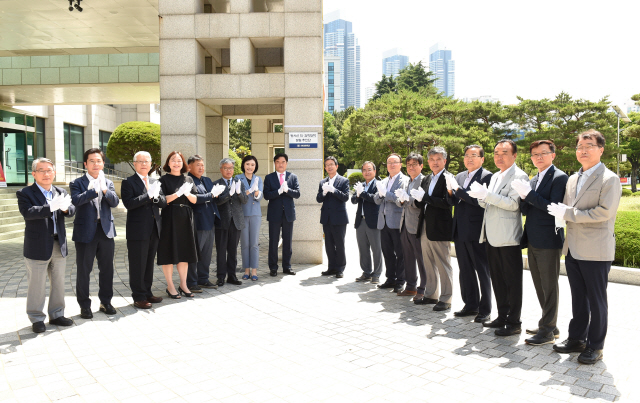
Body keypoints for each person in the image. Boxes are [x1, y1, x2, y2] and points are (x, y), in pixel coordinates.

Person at [548, 130, 621, 365]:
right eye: (580, 146)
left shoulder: (609, 178)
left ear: (601, 149)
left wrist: (568, 213)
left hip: (596, 250)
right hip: (573, 248)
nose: (583, 150)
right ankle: (577, 339)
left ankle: (595, 346)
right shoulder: (572, 179)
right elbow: (568, 210)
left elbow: (604, 212)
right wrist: (561, 215)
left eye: (589, 145)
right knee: (579, 299)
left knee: (597, 301)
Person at [467, 139, 529, 336]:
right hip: (492, 235)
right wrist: (482, 197)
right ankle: (502, 316)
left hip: (508, 236)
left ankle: (514, 322)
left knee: (512, 281)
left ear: (514, 155)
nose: (499, 157)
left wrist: (488, 196)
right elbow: (490, 203)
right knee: (498, 279)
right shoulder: (495, 176)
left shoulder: (519, 176)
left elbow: (514, 204)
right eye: (496, 153)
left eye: (504, 153)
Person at [512, 140, 568, 345]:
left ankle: (547, 331)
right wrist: (522, 198)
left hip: (549, 239)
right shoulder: (534, 179)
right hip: (534, 237)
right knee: (539, 285)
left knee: (549, 285)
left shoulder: (560, 177)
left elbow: (554, 206)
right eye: (534, 154)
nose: (538, 157)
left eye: (543, 153)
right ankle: (549, 324)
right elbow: (529, 209)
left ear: (553, 155)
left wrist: (529, 195)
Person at [17, 158, 75, 333]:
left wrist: (65, 208)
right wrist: (49, 207)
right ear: (34, 174)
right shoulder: (25, 193)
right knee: (37, 284)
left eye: (49, 170)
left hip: (59, 244)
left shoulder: (60, 191)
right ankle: (36, 318)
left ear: (54, 173)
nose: (46, 174)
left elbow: (71, 211)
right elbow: (27, 213)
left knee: (58, 282)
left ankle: (57, 314)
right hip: (37, 245)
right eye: (41, 170)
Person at [444, 145, 493, 324]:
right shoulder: (460, 176)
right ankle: (470, 304)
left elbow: (479, 201)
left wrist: (458, 191)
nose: (469, 159)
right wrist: (450, 191)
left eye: (474, 155)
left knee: (482, 270)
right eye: (466, 156)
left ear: (482, 159)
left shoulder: (487, 176)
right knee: (465, 270)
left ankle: (485, 309)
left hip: (476, 230)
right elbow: (453, 201)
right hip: (460, 229)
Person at [70, 148, 120, 319]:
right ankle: (84, 305)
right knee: (84, 270)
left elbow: (115, 202)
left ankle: (105, 301)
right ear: (85, 164)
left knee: (107, 269)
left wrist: (105, 190)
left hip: (105, 230)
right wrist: (93, 191)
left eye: (98, 161)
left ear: (103, 163)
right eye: (92, 161)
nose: (95, 164)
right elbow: (76, 201)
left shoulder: (108, 182)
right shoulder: (77, 182)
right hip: (85, 232)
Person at [121, 151, 167, 309]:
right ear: (134, 164)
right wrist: (148, 196)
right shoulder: (128, 182)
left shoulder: (155, 181)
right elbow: (129, 203)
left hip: (154, 228)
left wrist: (156, 197)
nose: (144, 164)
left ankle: (147, 292)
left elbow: (163, 202)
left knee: (148, 263)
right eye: (140, 161)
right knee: (137, 264)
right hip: (137, 230)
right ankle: (138, 296)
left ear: (151, 164)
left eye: (147, 161)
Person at [413, 148, 454, 311]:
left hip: (440, 226)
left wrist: (426, 198)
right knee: (428, 262)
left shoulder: (448, 178)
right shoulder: (427, 178)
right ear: (428, 162)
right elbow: (422, 201)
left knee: (443, 264)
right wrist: (417, 200)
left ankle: (446, 298)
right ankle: (431, 295)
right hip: (424, 225)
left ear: (444, 161)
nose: (435, 162)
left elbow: (447, 202)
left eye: (438, 159)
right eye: (431, 159)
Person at [156, 151, 199, 299]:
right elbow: (162, 201)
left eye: (179, 160)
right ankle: (170, 285)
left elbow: (195, 200)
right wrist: (178, 193)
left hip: (186, 218)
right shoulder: (162, 180)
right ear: (168, 163)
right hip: (169, 217)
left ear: (183, 163)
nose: (176, 163)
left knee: (184, 253)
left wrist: (186, 194)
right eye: (173, 160)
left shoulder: (188, 179)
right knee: (168, 253)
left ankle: (183, 284)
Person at [187, 155, 222, 291]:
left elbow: (214, 198)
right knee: (195, 253)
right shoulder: (188, 181)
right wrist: (211, 196)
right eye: (198, 165)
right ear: (189, 166)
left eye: (202, 165)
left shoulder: (207, 180)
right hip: (198, 222)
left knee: (206, 254)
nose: (201, 167)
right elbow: (194, 199)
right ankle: (191, 281)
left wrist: (218, 195)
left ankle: (203, 278)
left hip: (210, 220)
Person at [374, 153, 408, 293]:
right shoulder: (383, 181)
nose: (392, 165)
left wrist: (386, 194)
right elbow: (376, 200)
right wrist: (380, 194)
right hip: (383, 222)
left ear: (400, 164)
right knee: (387, 252)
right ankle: (390, 278)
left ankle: (400, 281)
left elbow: (401, 201)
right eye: (389, 162)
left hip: (397, 221)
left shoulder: (404, 180)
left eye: (395, 162)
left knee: (400, 253)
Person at [264, 153, 300, 277]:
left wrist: (287, 191)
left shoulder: (292, 177)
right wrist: (278, 191)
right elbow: (266, 195)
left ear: (286, 163)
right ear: (274, 163)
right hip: (274, 214)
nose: (280, 164)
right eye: (278, 162)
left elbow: (297, 194)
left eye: (283, 162)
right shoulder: (269, 177)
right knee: (273, 241)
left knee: (287, 241)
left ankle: (287, 266)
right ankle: (273, 267)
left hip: (288, 214)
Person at [213, 158, 248, 286]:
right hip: (222, 221)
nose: (229, 171)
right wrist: (229, 194)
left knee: (233, 251)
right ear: (221, 169)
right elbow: (216, 202)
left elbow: (245, 200)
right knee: (221, 251)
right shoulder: (216, 184)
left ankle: (232, 276)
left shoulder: (240, 182)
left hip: (236, 221)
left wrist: (238, 193)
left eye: (231, 168)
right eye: (226, 168)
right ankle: (221, 276)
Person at [395, 153, 426, 298]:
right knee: (408, 257)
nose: (411, 167)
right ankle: (411, 286)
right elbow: (399, 201)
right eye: (408, 165)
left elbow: (422, 203)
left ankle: (423, 288)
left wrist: (409, 199)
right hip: (405, 224)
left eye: (414, 164)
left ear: (421, 165)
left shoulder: (424, 180)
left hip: (418, 225)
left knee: (421, 258)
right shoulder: (407, 181)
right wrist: (401, 200)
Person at [316, 156, 350, 278]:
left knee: (339, 243)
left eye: (332, 164)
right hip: (326, 218)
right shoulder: (322, 182)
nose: (329, 166)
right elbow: (318, 198)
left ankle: (340, 268)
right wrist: (324, 193)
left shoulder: (343, 181)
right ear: (325, 168)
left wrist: (334, 190)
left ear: (336, 166)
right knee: (329, 244)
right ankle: (331, 267)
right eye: (327, 165)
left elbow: (346, 197)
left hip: (339, 218)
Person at [351, 161, 382, 283]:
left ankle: (377, 274)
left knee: (376, 249)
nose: (367, 172)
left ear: (374, 171)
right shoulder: (361, 184)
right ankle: (366, 272)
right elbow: (353, 200)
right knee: (363, 248)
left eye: (369, 169)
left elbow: (375, 199)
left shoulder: (379, 184)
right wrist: (358, 194)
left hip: (373, 221)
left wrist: (362, 193)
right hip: (360, 221)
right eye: (364, 170)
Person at [235, 155, 263, 281]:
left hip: (255, 214)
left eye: (252, 164)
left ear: (255, 166)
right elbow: (237, 195)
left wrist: (255, 190)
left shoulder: (259, 179)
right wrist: (248, 191)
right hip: (242, 213)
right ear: (243, 165)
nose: (250, 167)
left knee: (254, 244)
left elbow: (259, 197)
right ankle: (246, 270)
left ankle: (254, 270)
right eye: (247, 164)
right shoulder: (238, 178)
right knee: (245, 244)